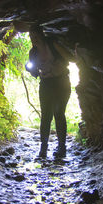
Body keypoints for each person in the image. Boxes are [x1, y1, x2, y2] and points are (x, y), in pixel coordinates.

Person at [26, 25, 75, 159]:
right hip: (46, 84)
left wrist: (60, 63)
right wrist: (31, 69)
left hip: (61, 82)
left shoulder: (53, 45)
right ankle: (43, 148)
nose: (33, 39)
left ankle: (61, 147)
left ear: (41, 35)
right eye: (31, 37)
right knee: (46, 116)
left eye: (35, 36)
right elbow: (34, 72)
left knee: (59, 113)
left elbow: (71, 58)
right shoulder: (33, 53)